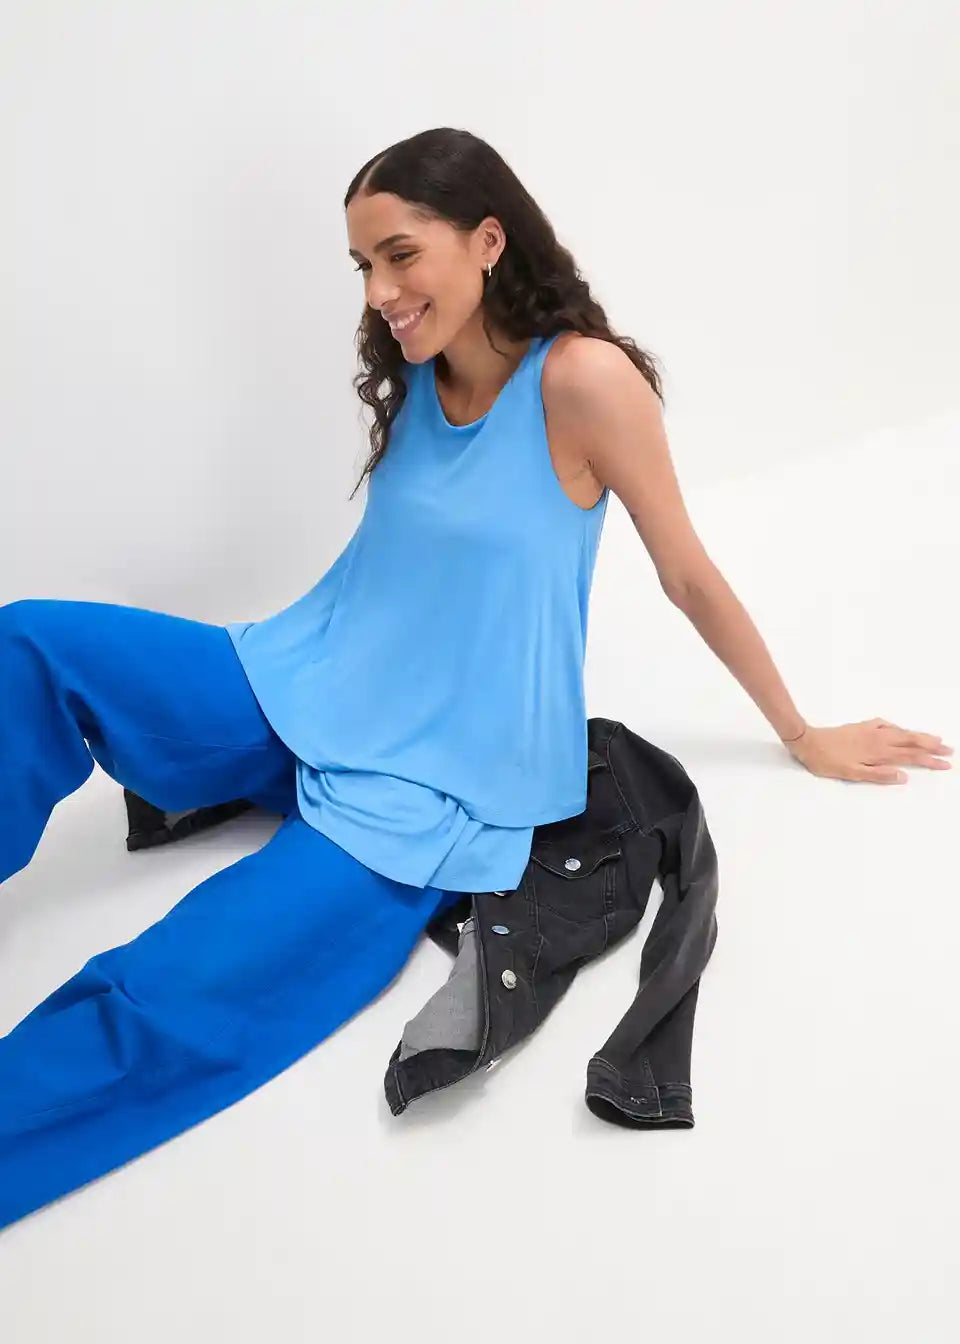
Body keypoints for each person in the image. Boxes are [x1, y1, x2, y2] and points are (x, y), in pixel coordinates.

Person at [0, 127, 951, 1232]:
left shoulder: (586, 381)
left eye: (401, 255)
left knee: (170, 997)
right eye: (363, 264)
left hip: (434, 785)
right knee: (31, 644)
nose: (380, 291)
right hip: (305, 684)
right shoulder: (422, 357)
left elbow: (686, 574)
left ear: (489, 240)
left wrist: (800, 730)